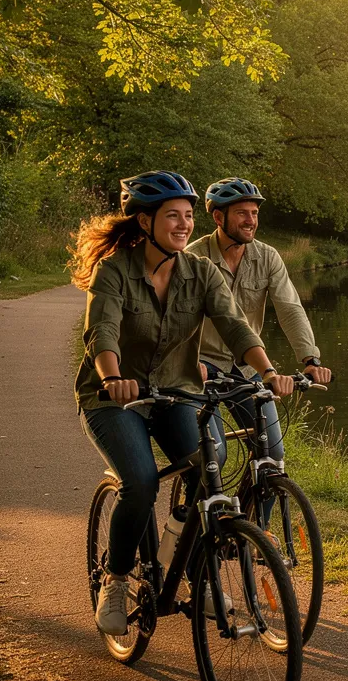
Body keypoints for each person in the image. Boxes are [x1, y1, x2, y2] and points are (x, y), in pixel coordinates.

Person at [71, 170, 296, 636]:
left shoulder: (200, 272)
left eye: (188, 216)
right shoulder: (114, 270)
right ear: (145, 221)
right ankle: (116, 579)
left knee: (210, 462)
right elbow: (102, 332)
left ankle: (192, 569)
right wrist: (112, 378)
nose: (184, 224)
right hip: (114, 400)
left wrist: (268, 372)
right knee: (140, 481)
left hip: (176, 391)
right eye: (173, 215)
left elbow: (235, 327)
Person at [189, 177, 333, 470]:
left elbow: (290, 309)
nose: (251, 220)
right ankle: (195, 500)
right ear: (218, 217)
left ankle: (256, 500)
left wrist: (310, 359)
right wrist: (186, 362)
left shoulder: (267, 257)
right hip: (200, 364)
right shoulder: (193, 258)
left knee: (272, 454)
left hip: (246, 364)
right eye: (242, 213)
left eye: (254, 213)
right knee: (212, 456)